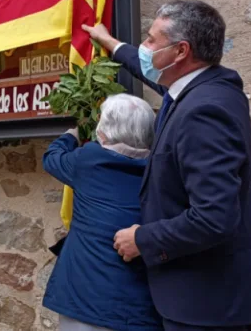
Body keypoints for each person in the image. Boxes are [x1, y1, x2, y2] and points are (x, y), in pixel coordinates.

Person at [84, 0, 251, 330]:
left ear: (181, 52)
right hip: (206, 298)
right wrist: (111, 44)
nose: (145, 48)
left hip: (206, 305)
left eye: (151, 40)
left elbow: (214, 218)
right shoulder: (204, 87)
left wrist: (143, 240)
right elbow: (151, 73)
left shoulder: (203, 112)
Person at [42, 94, 163, 331]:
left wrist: (70, 136)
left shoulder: (89, 160)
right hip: (141, 307)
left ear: (103, 132)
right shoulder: (160, 168)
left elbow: (52, 159)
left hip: (85, 301)